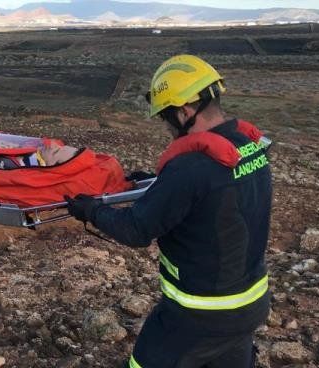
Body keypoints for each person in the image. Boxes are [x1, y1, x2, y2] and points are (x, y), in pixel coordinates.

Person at [66, 55, 272, 368]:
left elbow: (136, 230)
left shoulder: (190, 167)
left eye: (166, 117)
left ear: (185, 111)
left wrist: (91, 211)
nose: (168, 127)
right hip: (249, 305)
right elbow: (211, 196)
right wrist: (156, 183)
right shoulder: (249, 146)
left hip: (199, 317)